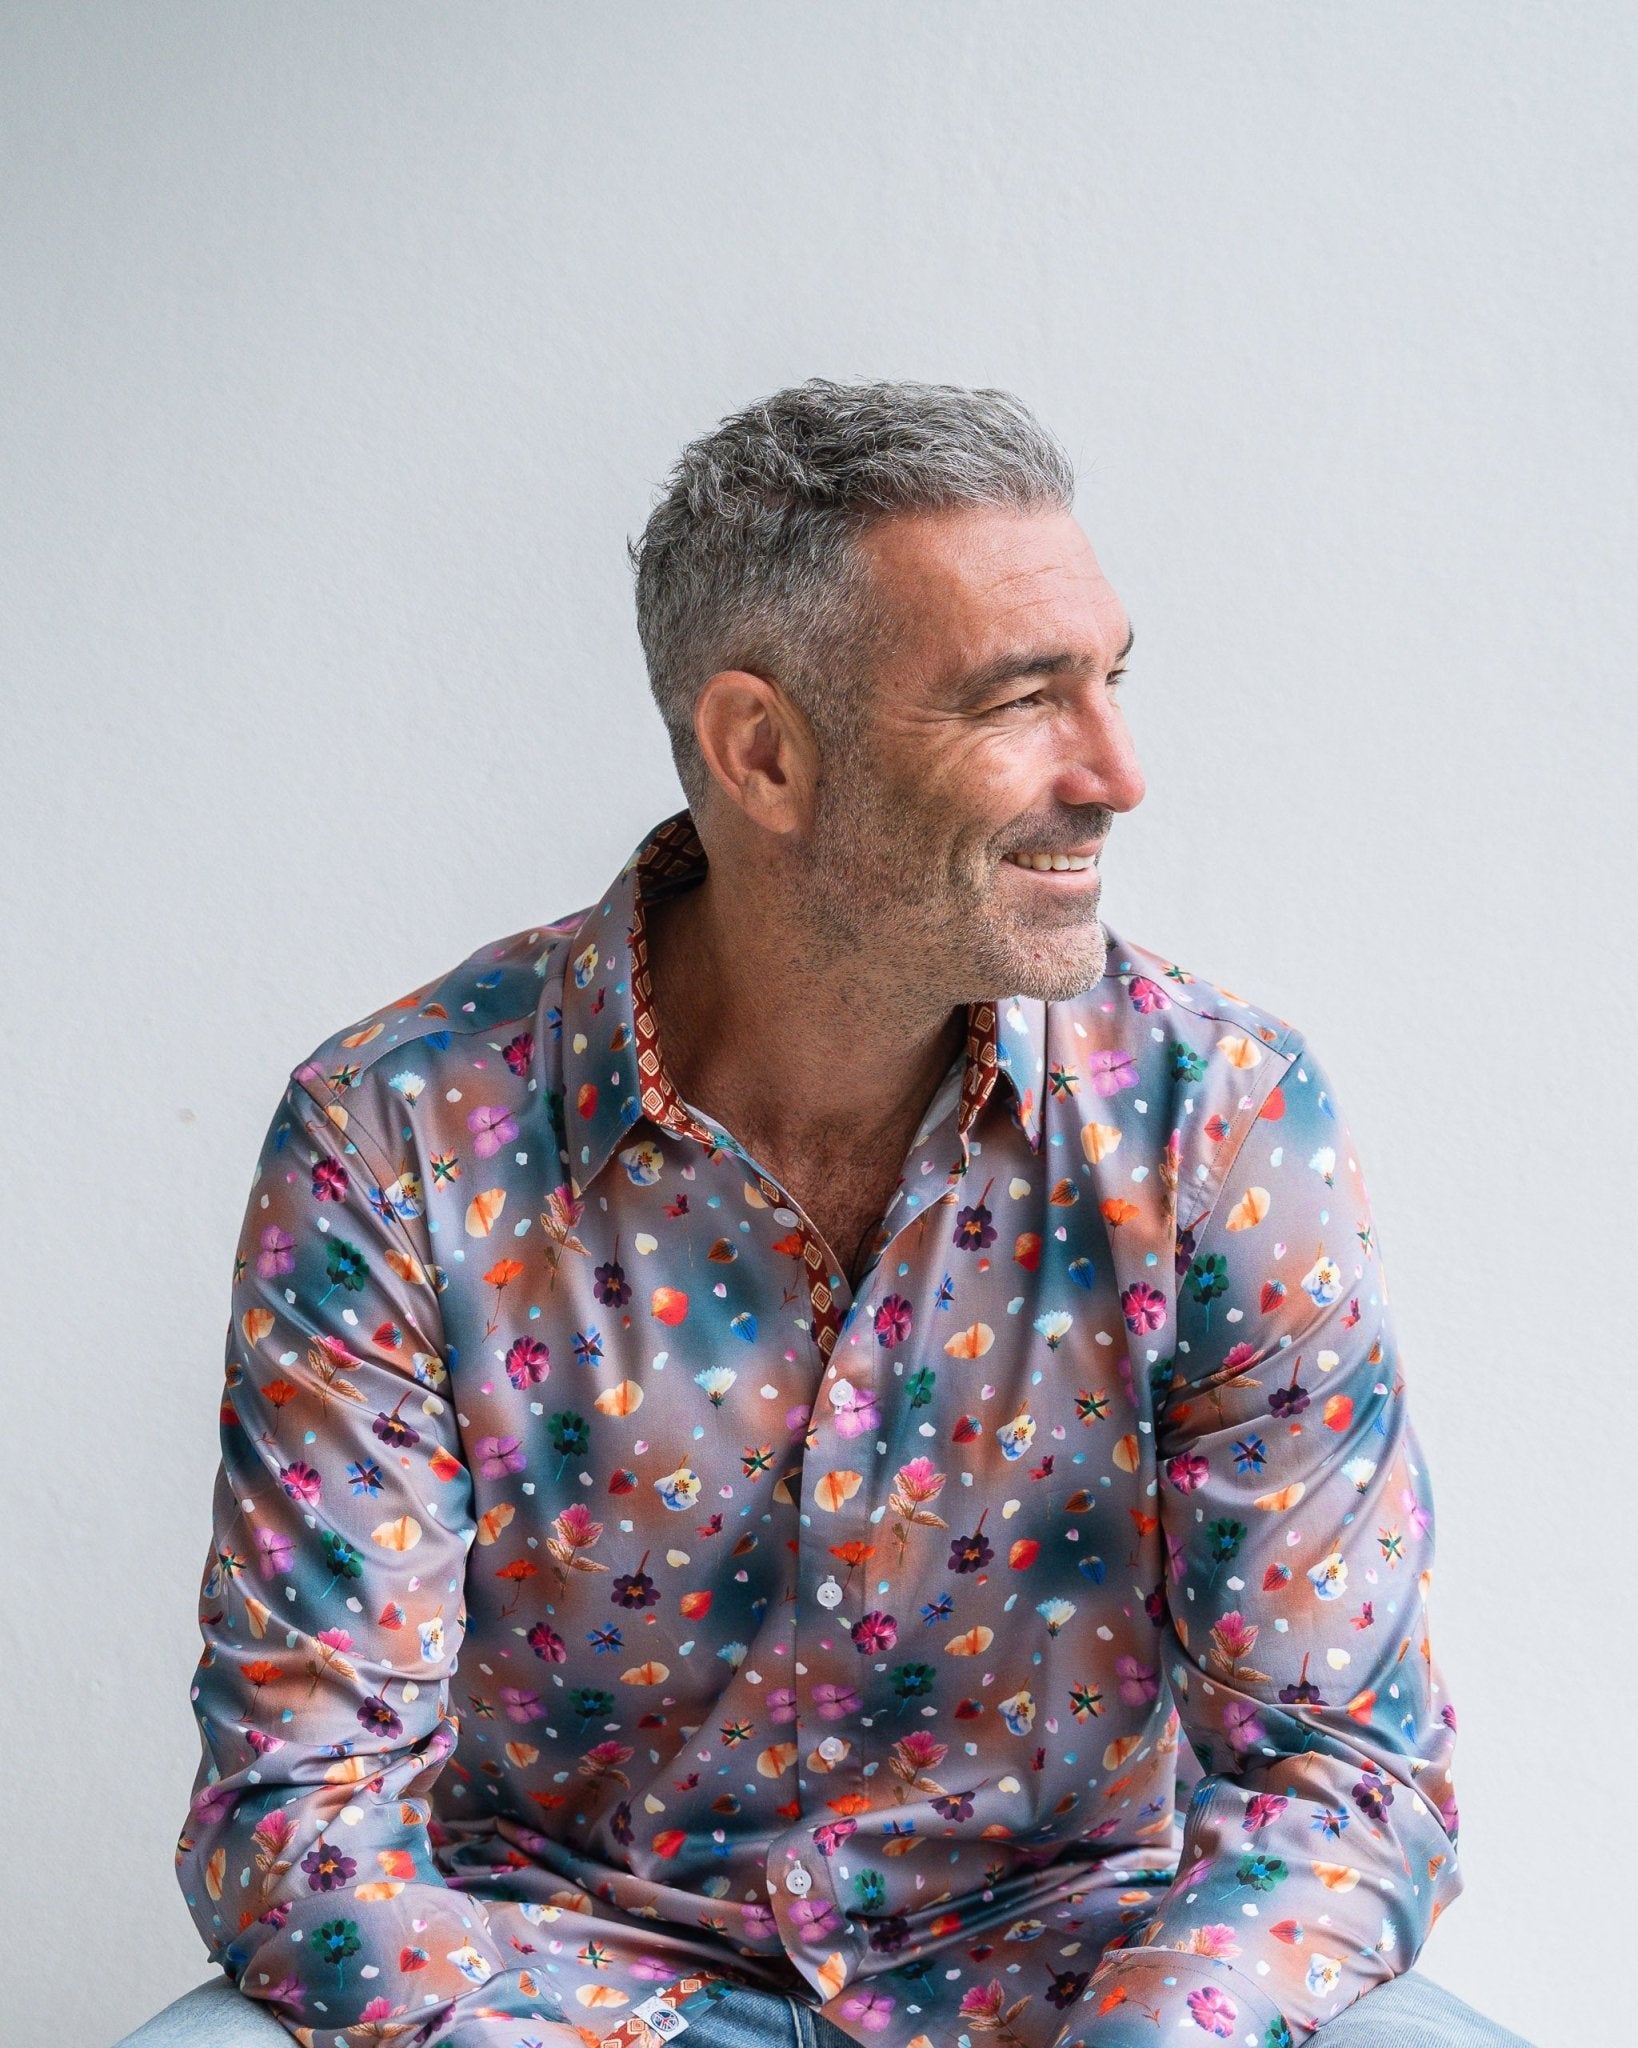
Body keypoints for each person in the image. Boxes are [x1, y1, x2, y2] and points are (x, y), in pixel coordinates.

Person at [124, 383, 1531, 2048]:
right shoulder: (400, 1135)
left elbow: (1341, 1769)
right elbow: (303, 1810)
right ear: (765, 753)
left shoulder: (1213, 1116)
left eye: (1112, 681)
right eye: (1023, 699)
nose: (1118, 774)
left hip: (1075, 1975)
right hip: (553, 1981)